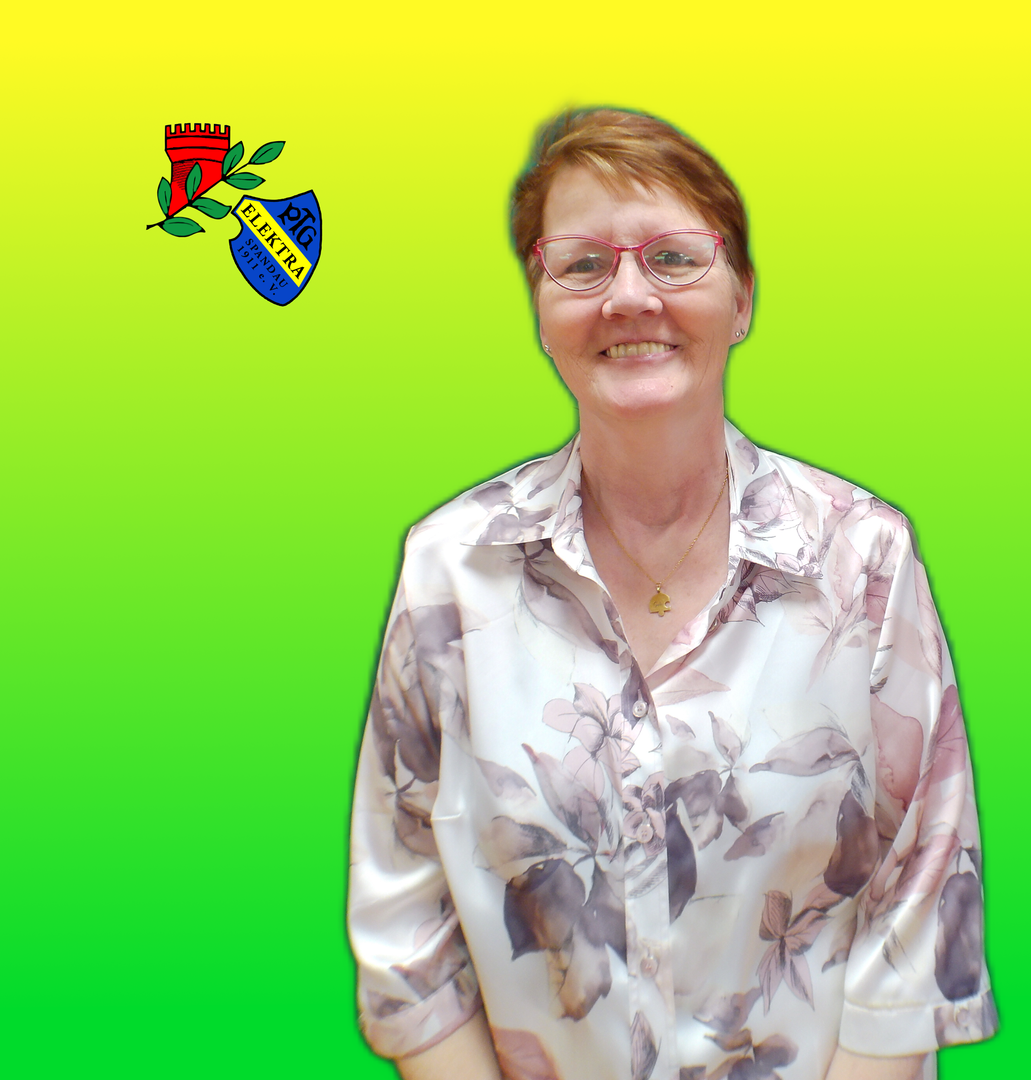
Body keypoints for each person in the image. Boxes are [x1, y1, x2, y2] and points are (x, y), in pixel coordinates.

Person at [347, 109, 997, 1080]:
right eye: (582, 265)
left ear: (742, 300)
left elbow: (919, 906)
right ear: (539, 307)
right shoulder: (451, 567)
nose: (628, 296)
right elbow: (404, 921)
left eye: (674, 258)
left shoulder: (862, 559)